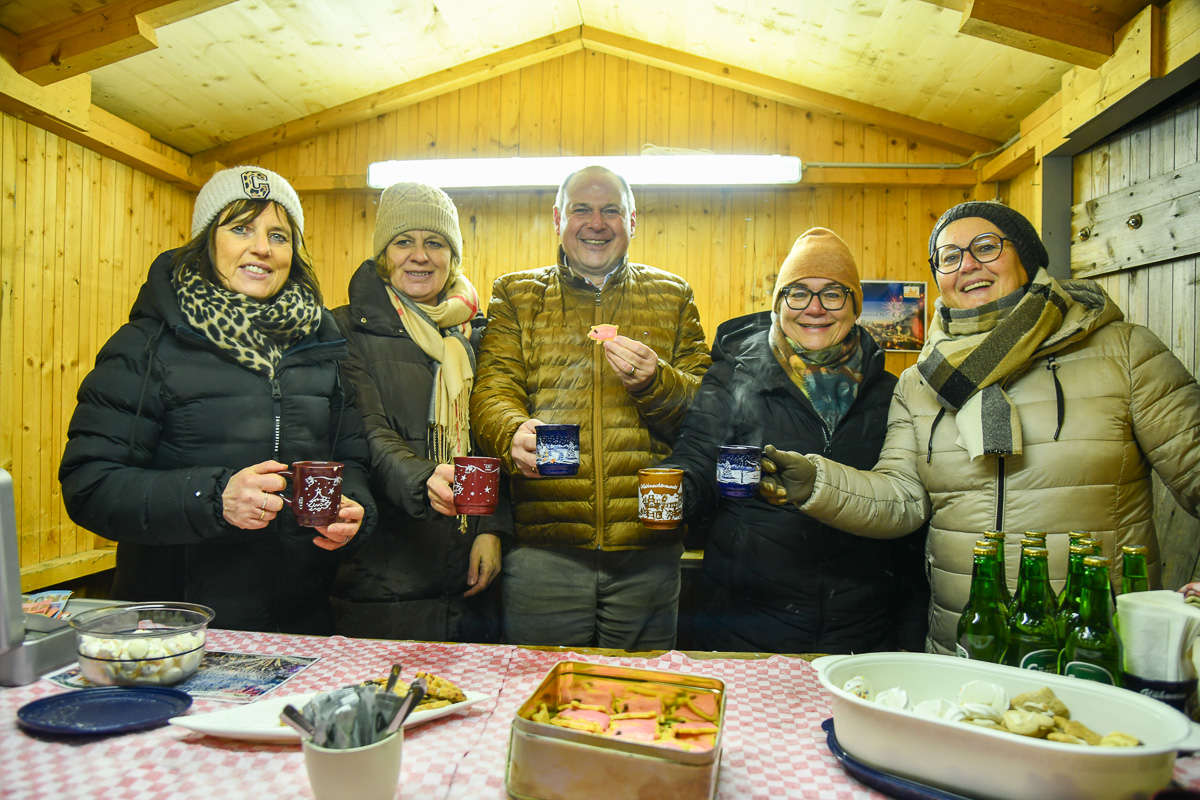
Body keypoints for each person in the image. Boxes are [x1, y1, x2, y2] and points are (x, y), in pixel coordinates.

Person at [759, 201, 1200, 654]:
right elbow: (901, 498)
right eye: (949, 257)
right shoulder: (921, 381)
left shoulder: (1124, 354)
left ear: (1026, 257)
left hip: (1093, 643)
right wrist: (816, 480)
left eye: (986, 247)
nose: (967, 265)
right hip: (965, 643)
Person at [59, 165, 376, 634]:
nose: (262, 247)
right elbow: (90, 486)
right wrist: (211, 497)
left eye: (279, 235)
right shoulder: (146, 346)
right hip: (175, 629)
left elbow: (352, 463)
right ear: (207, 241)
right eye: (241, 228)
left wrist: (356, 511)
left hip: (299, 626)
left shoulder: (320, 349)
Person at [470, 165, 711, 650]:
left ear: (632, 221)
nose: (596, 223)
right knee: (540, 683)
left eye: (611, 211)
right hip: (543, 549)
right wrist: (511, 431)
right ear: (558, 218)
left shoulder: (673, 295)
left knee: (639, 689)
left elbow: (707, 410)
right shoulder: (516, 295)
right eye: (582, 209)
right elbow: (492, 390)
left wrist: (657, 382)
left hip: (647, 549)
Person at [659, 228, 928, 654]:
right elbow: (697, 458)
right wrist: (673, 490)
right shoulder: (732, 376)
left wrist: (910, 632)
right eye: (798, 293)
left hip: (860, 628)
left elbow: (907, 520)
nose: (814, 308)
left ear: (855, 306)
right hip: (745, 623)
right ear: (779, 304)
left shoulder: (890, 393)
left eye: (832, 294)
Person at [328, 182, 510, 642]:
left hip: (470, 567)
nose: (420, 256)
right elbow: (367, 430)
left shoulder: (478, 335)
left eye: (435, 243)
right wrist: (424, 477)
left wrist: (491, 529)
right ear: (383, 255)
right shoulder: (345, 327)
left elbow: (492, 440)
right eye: (403, 241)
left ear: (453, 257)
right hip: (385, 570)